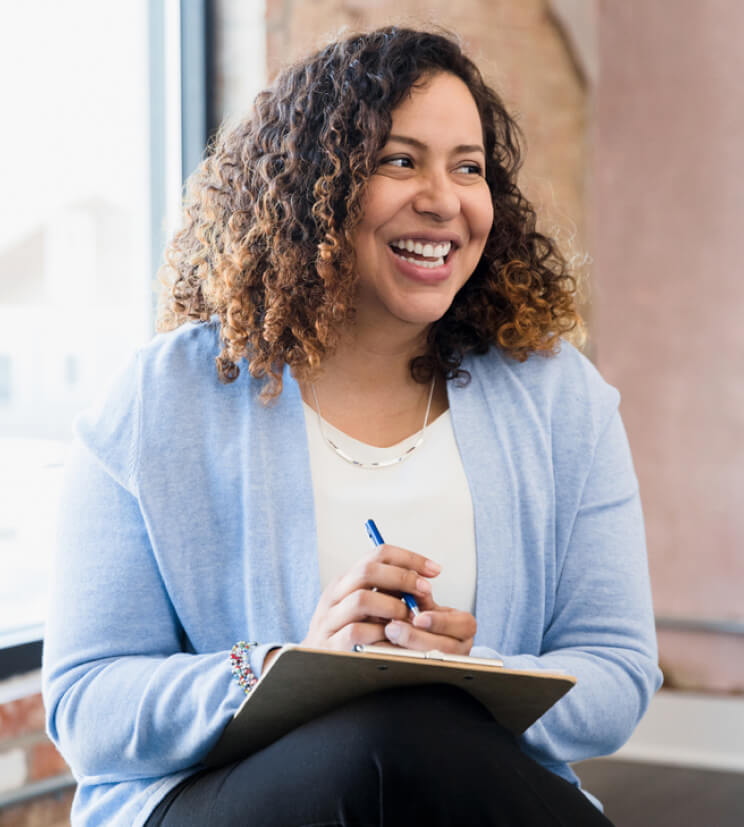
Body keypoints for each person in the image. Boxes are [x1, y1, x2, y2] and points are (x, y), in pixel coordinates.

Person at [42, 26, 662, 827]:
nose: (443, 198)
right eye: (400, 160)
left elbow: (617, 671)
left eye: (467, 167)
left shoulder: (560, 400)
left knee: (421, 727)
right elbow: (87, 706)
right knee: (385, 735)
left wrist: (471, 672)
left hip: (469, 794)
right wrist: (285, 671)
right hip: (212, 803)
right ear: (312, 186)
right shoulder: (156, 404)